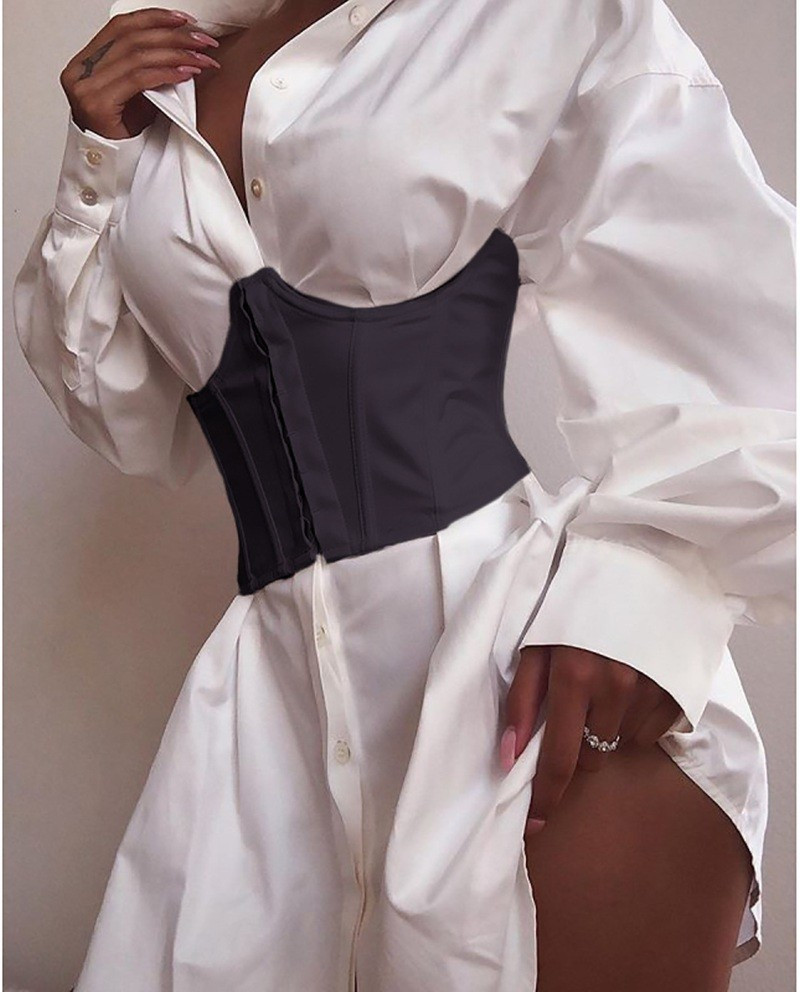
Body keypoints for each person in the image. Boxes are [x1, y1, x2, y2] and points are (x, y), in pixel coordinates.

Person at [13, 0, 795, 989]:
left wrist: (635, 599)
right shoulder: (169, 75)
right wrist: (100, 158)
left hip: (534, 695)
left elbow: (751, 335)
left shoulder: (536, 18)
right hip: (266, 721)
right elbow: (127, 415)